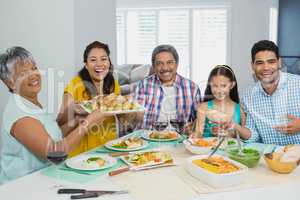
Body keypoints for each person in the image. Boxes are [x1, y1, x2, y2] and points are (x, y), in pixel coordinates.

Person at [0, 46, 108, 184]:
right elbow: (54, 153)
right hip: (22, 186)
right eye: (23, 74)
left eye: (34, 68)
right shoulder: (21, 116)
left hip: (45, 178)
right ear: (10, 83)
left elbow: (52, 136)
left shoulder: (30, 103)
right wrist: (88, 123)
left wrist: (76, 120)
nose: (33, 75)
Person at [57, 41, 120, 157]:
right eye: (93, 60)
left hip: (107, 149)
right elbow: (59, 122)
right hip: (81, 154)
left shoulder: (113, 84)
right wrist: (73, 109)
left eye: (103, 59)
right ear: (86, 65)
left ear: (109, 62)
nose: (99, 64)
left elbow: (119, 112)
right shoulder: (75, 85)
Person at [242, 40, 300, 145]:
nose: (266, 68)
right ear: (252, 66)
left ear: (279, 62)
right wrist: (234, 127)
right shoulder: (247, 96)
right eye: (260, 63)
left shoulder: (298, 84)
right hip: (269, 159)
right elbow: (253, 136)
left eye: (271, 62)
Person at [134, 44, 201, 130]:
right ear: (154, 67)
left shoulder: (192, 88)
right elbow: (136, 116)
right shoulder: (144, 85)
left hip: (180, 139)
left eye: (169, 62)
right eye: (159, 63)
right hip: (149, 138)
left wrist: (193, 126)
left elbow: (198, 120)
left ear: (177, 64)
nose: (165, 68)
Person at [194, 65, 250, 140]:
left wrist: (232, 131)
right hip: (209, 150)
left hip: (230, 151)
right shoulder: (204, 107)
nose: (219, 90)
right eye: (215, 86)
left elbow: (246, 137)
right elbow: (198, 133)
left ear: (232, 85)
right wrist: (194, 136)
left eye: (223, 86)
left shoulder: (239, 109)